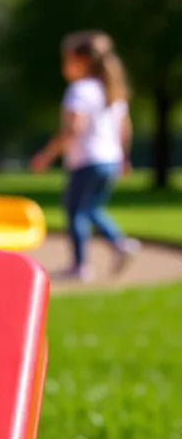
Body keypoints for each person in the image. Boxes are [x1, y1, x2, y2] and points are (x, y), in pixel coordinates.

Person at [30, 30, 140, 280]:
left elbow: (73, 129)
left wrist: (47, 155)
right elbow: (124, 127)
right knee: (91, 209)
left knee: (76, 211)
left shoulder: (80, 90)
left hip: (87, 160)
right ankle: (120, 243)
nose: (64, 67)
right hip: (109, 159)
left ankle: (81, 266)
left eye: (66, 60)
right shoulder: (111, 90)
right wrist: (124, 158)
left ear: (81, 61)